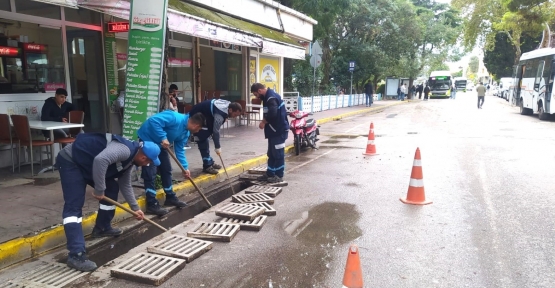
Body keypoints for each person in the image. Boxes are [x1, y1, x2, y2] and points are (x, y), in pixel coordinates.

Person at [56, 133, 161, 272]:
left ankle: (102, 227)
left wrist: (135, 208)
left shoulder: (130, 161)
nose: (147, 164)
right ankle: (76, 254)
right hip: (72, 161)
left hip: (87, 164)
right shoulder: (125, 150)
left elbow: (126, 185)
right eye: (149, 162)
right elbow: (101, 160)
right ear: (143, 157)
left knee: (112, 188)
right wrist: (100, 189)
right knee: (74, 207)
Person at [137, 110, 205, 215]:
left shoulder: (185, 132)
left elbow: (180, 150)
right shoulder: (175, 117)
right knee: (150, 172)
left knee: (166, 169)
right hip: (148, 141)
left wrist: (185, 168)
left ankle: (170, 197)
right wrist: (163, 137)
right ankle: (151, 204)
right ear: (196, 125)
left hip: (161, 145)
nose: (197, 131)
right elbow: (153, 121)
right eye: (199, 128)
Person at [189, 99, 243, 174]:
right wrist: (217, 147)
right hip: (197, 118)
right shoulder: (220, 114)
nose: (234, 117)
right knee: (203, 140)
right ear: (230, 110)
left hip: (205, 118)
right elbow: (216, 131)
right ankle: (207, 166)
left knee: (205, 139)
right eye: (235, 115)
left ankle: (210, 162)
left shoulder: (227, 106)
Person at [251, 83, 289, 183]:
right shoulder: (268, 97)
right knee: (271, 154)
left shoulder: (271, 98)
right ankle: (270, 173)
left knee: (278, 154)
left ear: (259, 91)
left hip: (279, 131)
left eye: (256, 94)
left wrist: (263, 122)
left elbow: (273, 113)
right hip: (273, 131)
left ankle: (278, 175)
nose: (256, 97)